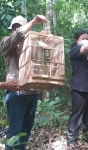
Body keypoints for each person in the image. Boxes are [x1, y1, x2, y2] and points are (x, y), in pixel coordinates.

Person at [0, 15, 47, 150]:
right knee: (14, 132)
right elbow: (17, 37)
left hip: (32, 93)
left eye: (20, 27)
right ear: (11, 31)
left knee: (25, 131)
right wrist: (32, 23)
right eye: (14, 28)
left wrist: (42, 38)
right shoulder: (6, 44)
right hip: (16, 93)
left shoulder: (31, 45)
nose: (17, 30)